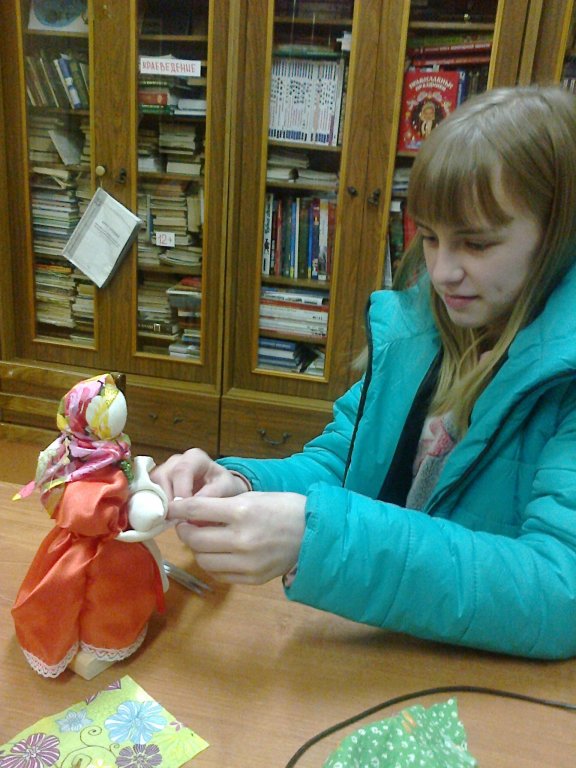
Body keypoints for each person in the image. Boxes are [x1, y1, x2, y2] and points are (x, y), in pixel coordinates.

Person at [152, 85, 576, 660]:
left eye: (476, 244)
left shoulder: (564, 377)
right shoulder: (421, 333)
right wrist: (241, 485)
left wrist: (318, 537)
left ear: (557, 234)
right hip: (389, 649)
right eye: (430, 238)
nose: (442, 271)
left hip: (483, 680)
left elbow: (558, 591)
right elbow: (342, 465)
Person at [12, 373, 169, 678]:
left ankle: (103, 640)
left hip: (114, 539)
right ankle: (86, 642)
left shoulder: (109, 449)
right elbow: (82, 510)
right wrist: (115, 516)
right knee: (80, 591)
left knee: (111, 596)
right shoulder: (83, 461)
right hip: (91, 542)